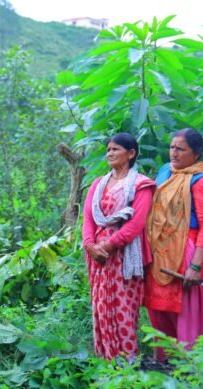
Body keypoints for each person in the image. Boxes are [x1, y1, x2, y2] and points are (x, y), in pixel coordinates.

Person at [145, 128, 203, 360]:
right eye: (172, 147)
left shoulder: (202, 181)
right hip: (159, 252)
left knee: (186, 313)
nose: (174, 153)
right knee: (158, 312)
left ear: (196, 153)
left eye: (180, 149)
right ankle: (163, 368)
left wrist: (195, 267)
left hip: (186, 253)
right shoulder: (165, 171)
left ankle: (190, 371)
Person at [82, 133, 155, 360]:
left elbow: (136, 224)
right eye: (108, 149)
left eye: (115, 149)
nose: (110, 153)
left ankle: (127, 365)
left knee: (123, 309)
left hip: (124, 257)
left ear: (131, 154)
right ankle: (107, 364)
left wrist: (108, 245)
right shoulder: (98, 184)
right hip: (98, 257)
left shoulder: (141, 185)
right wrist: (90, 245)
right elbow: (88, 218)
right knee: (101, 308)